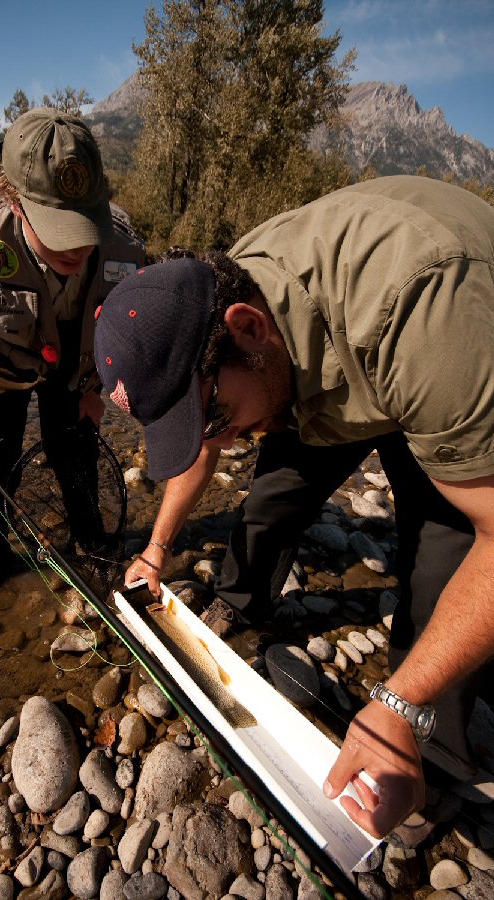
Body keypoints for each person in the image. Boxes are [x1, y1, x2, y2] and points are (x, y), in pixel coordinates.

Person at [93, 175, 494, 839]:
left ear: (248, 328)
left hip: (447, 350)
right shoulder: (233, 309)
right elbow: (205, 438)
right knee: (274, 491)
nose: (216, 441)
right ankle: (241, 599)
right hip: (321, 358)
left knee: (445, 543)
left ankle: (431, 744)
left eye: (213, 415)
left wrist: (398, 701)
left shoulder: (426, 311)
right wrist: (156, 548)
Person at [0, 107, 145, 610]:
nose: (78, 247)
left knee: (76, 451)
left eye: (85, 225)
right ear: (14, 202)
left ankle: (91, 548)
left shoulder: (124, 247)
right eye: (58, 229)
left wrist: (95, 390)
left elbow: (118, 330)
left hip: (72, 361)